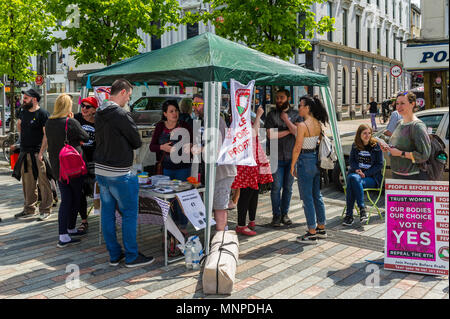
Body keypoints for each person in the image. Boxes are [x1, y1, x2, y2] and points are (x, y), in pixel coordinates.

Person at [95, 79, 154, 268]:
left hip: (101, 170)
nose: (129, 99)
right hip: (119, 171)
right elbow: (136, 141)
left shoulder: (99, 112)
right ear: (122, 92)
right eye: (128, 96)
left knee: (107, 214)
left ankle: (114, 254)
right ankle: (131, 255)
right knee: (129, 214)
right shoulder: (120, 113)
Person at [44, 94, 90, 247]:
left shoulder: (49, 123)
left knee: (66, 199)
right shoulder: (71, 122)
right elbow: (86, 137)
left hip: (58, 168)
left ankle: (68, 230)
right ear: (68, 107)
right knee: (74, 198)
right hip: (73, 167)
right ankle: (65, 234)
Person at [192, 94, 236, 231]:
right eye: (193, 104)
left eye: (198, 104)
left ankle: (221, 238)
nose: (195, 107)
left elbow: (219, 147)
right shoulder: (204, 121)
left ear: (208, 104)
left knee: (220, 207)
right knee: (215, 206)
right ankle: (219, 236)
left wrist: (200, 149)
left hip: (222, 172)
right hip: (212, 173)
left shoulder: (216, 121)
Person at [149, 99, 192, 234]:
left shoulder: (185, 125)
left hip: (183, 168)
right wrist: (163, 147)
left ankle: (183, 227)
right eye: (171, 111)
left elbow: (195, 142)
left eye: (176, 111)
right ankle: (173, 225)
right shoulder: (160, 127)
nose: (175, 114)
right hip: (166, 168)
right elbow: (152, 147)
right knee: (170, 199)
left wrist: (190, 146)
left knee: (182, 198)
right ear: (165, 114)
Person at [290, 95, 328, 244]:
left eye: (300, 105)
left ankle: (311, 232)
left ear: (308, 108)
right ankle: (321, 227)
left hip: (304, 161)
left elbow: (298, 147)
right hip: (315, 159)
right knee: (316, 195)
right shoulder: (318, 124)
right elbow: (318, 141)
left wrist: (292, 165)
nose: (298, 108)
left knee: (307, 198)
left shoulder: (302, 125)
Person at [12, 89, 53, 221]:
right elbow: (20, 126)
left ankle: (46, 209)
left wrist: (41, 152)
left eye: (26, 98)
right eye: (24, 97)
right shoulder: (23, 112)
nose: (23, 100)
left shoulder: (43, 114)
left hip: (38, 152)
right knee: (28, 182)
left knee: (43, 181)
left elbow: (47, 135)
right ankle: (29, 208)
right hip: (25, 152)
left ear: (34, 99)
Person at [232, 106, 273, 236]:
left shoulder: (244, 120)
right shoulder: (239, 122)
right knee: (246, 192)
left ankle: (251, 220)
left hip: (252, 160)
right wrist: (259, 116)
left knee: (254, 191)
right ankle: (241, 225)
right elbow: (254, 133)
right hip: (245, 162)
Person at [265, 89, 302, 227]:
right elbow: (270, 135)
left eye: (281, 97)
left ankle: (284, 214)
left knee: (288, 187)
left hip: (292, 157)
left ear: (288, 98)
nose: (279, 100)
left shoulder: (296, 114)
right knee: (276, 187)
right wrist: (289, 130)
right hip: (276, 156)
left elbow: (298, 133)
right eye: (277, 97)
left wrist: (286, 120)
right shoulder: (271, 115)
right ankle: (276, 215)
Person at [378, 91, 431, 180]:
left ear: (412, 104)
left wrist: (400, 153)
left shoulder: (417, 126)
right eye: (397, 103)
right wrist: (386, 146)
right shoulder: (399, 123)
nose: (399, 107)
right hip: (397, 174)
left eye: (402, 103)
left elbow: (424, 155)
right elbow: (396, 144)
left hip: (413, 177)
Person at [343, 124, 383, 226]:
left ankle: (349, 215)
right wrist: (357, 169)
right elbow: (351, 160)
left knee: (351, 181)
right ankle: (362, 210)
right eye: (364, 133)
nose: (367, 135)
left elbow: (379, 165)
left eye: (369, 133)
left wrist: (365, 173)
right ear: (359, 135)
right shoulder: (355, 145)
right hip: (357, 176)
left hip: (372, 178)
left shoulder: (375, 146)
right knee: (353, 179)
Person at [74, 96, 99, 233]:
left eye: (87, 106)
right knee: (80, 190)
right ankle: (84, 221)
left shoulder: (99, 123)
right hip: (78, 159)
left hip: (95, 161)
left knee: (97, 189)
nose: (84, 108)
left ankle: (105, 218)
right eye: (82, 105)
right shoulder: (76, 118)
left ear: (94, 109)